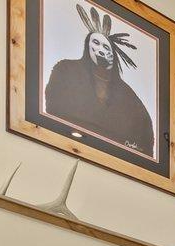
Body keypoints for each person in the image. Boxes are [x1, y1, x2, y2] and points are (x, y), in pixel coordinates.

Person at [45, 4, 155, 154]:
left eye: (106, 47)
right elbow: (54, 110)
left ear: (114, 55)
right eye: (96, 43)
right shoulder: (65, 70)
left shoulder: (129, 96)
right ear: (87, 47)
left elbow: (145, 138)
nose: (101, 50)